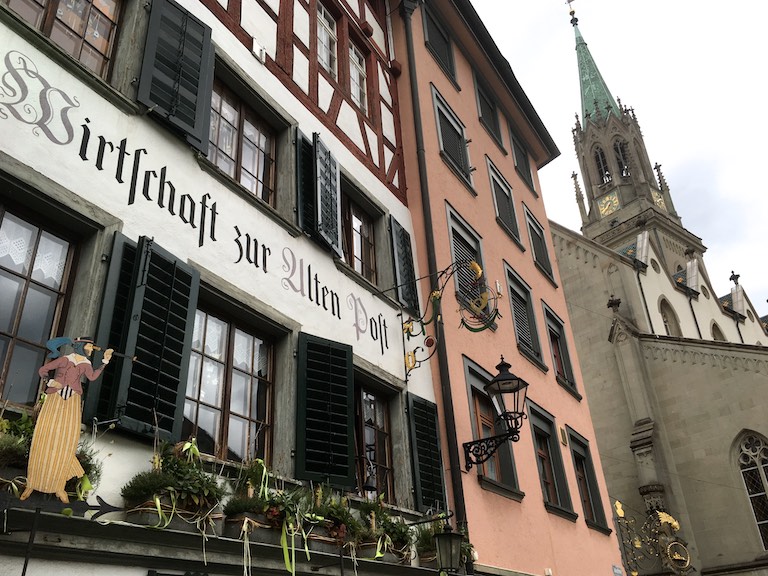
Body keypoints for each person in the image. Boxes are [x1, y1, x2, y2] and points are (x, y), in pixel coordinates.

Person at [20, 337, 113, 503]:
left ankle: (59, 486)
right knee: (43, 436)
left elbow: (92, 377)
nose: (90, 350)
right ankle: (32, 483)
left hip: (72, 402)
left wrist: (105, 361)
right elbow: (43, 370)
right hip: (54, 398)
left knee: (67, 441)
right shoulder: (64, 360)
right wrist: (50, 381)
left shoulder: (86, 364)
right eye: (88, 346)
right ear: (80, 346)